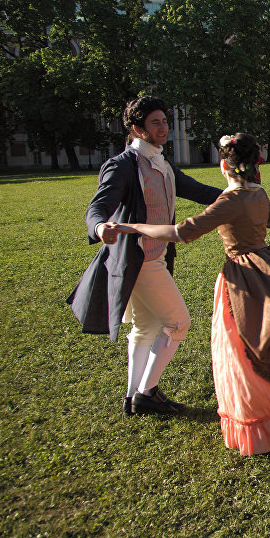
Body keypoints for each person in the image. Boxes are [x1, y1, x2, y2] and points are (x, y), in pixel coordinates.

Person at [112, 133, 270, 455]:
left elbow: (182, 232)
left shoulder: (229, 200)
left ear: (223, 165)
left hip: (242, 277)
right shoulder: (257, 192)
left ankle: (262, 419)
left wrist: (134, 227)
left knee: (244, 348)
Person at [67, 96, 222, 416]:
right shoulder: (123, 166)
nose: (163, 127)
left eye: (165, 121)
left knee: (145, 328)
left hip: (154, 259)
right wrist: (98, 229)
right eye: (156, 123)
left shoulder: (162, 163)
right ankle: (146, 394)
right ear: (138, 129)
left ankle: (132, 398)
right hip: (139, 260)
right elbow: (97, 208)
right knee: (179, 323)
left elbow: (197, 190)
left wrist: (238, 196)